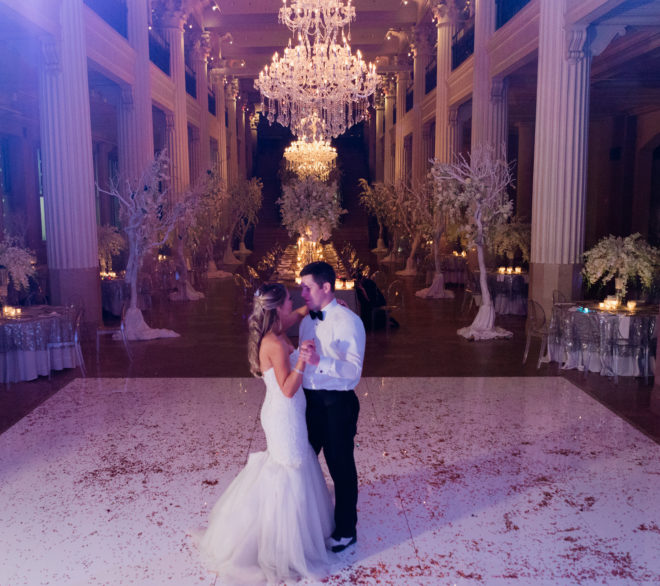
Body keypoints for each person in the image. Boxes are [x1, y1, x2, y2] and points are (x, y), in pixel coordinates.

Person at [196, 283, 334, 584]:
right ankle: (283, 547)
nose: (293, 304)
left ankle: (295, 532)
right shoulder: (272, 342)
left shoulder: (278, 325)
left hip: (288, 412)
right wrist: (301, 359)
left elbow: (297, 315)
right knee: (289, 467)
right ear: (275, 309)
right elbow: (286, 390)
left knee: (293, 464)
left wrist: (324, 306)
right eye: (288, 301)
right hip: (284, 413)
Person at [298, 261, 366, 553]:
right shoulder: (306, 320)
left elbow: (353, 373)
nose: (301, 293)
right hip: (308, 403)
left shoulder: (350, 322)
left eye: (307, 287)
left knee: (340, 467)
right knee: (302, 464)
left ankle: (346, 530)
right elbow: (300, 358)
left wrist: (319, 362)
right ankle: (306, 522)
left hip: (337, 404)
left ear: (326, 287)